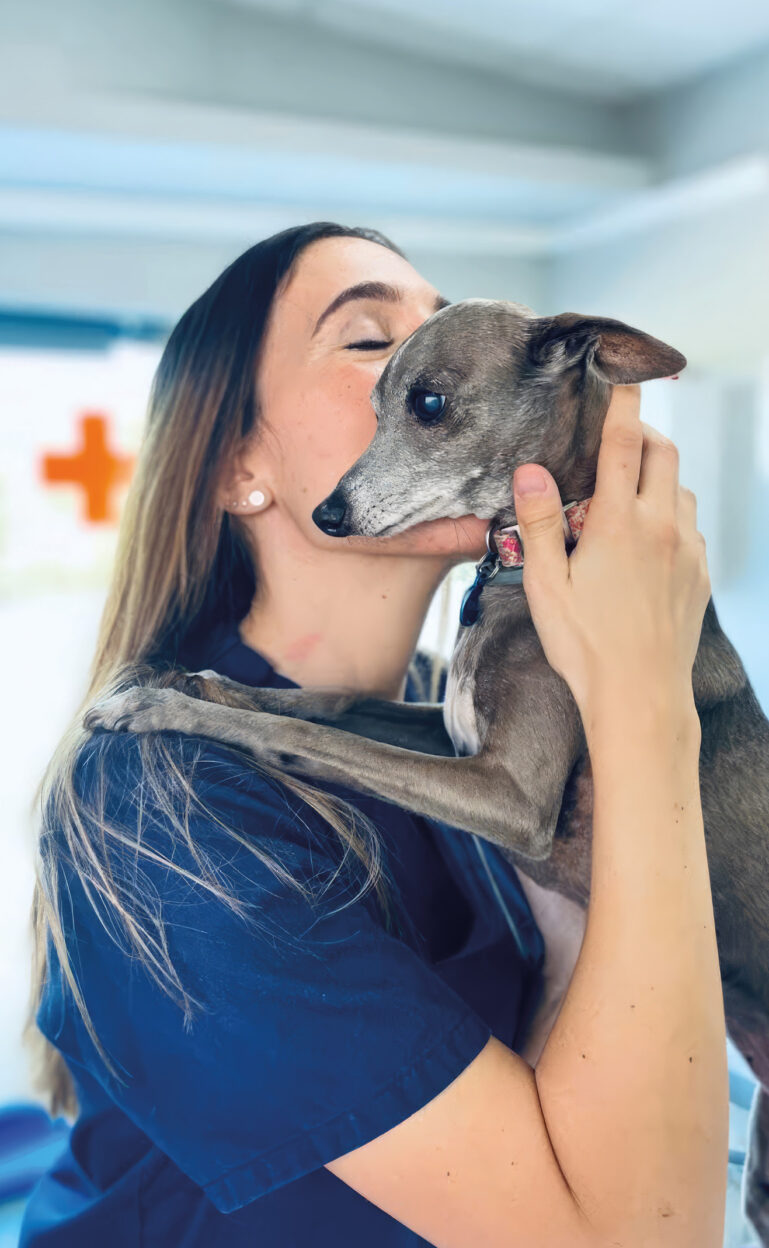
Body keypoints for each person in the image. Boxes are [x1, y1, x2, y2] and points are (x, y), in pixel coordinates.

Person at [21, 222, 727, 1247]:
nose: (430, 351)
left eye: (440, 325)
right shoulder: (162, 805)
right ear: (235, 467)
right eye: (367, 339)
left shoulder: (464, 707)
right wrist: (647, 704)